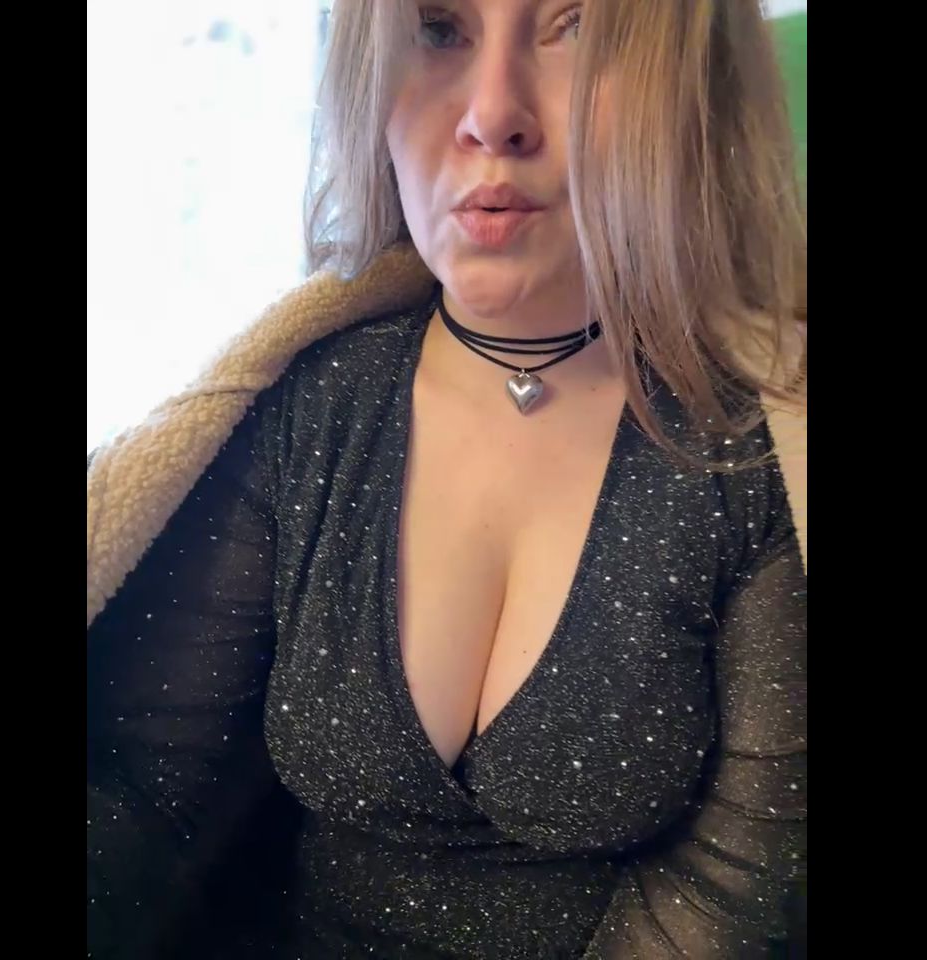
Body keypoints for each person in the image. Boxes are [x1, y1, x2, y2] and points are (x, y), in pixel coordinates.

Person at [87, 1, 807, 956]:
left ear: (687, 84)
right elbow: (146, 788)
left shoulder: (755, 453)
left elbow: (729, 891)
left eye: (574, 26)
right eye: (436, 27)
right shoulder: (309, 409)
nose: (492, 115)